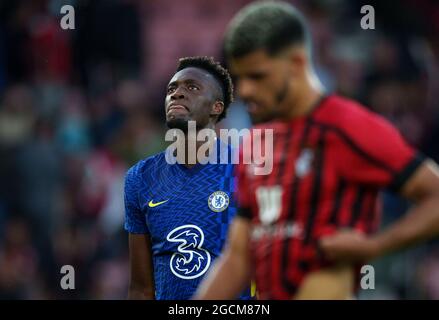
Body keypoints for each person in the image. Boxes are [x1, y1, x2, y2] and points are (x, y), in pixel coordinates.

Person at [194, 1, 439, 300]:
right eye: (239, 77)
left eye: (257, 76)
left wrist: (375, 245)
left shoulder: (348, 126)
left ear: (296, 64)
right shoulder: (256, 143)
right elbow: (239, 257)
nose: (244, 91)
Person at [124, 56, 251, 299]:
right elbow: (141, 288)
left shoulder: (246, 169)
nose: (178, 94)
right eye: (172, 88)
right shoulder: (140, 178)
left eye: (192, 87)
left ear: (217, 107)